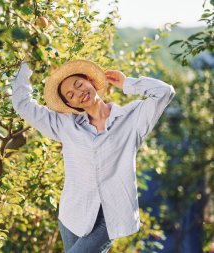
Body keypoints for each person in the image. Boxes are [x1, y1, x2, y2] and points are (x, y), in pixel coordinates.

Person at [11, 57, 176, 253]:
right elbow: (22, 103)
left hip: (110, 218)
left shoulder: (132, 119)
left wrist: (127, 83)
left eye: (79, 84)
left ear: (90, 81)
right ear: (70, 104)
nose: (79, 93)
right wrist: (32, 56)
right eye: (70, 95)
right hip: (72, 216)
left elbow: (165, 92)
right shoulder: (65, 125)